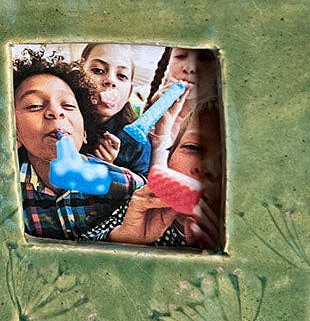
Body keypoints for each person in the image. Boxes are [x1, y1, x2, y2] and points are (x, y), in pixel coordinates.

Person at [13, 51, 144, 240]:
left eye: (67, 106)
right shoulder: (3, 190)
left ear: (84, 133)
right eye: (34, 105)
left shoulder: (126, 186)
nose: (55, 112)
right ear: (14, 133)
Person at [80, 100, 225, 250]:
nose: (205, 167)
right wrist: (123, 238)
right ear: (170, 157)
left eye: (226, 159)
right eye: (193, 147)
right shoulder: (143, 204)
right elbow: (79, 250)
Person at [77, 43, 139, 166]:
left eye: (121, 76)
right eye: (98, 70)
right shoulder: (61, 117)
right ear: (78, 76)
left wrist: (110, 168)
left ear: (129, 92)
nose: (110, 80)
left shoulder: (136, 143)